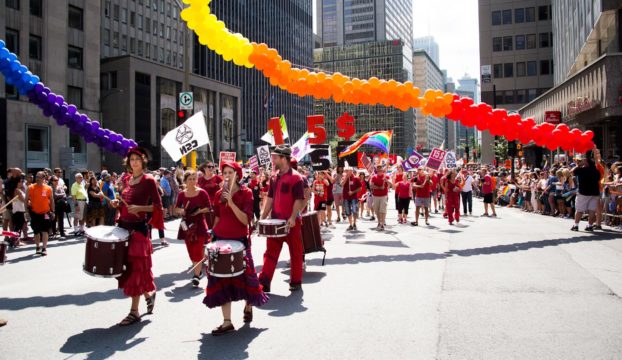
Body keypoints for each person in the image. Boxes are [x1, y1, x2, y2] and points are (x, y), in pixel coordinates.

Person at [203, 161, 268, 335]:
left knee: (247, 278)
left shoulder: (246, 193)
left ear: (237, 175)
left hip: (239, 241)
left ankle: (248, 304)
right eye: (224, 172)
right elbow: (217, 218)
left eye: (230, 172)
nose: (227, 175)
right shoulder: (218, 194)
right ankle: (227, 321)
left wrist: (231, 203)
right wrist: (211, 239)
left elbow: (246, 220)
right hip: (221, 240)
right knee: (221, 279)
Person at [110, 147, 163, 326]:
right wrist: (117, 204)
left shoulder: (149, 181)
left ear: (143, 162)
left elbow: (158, 207)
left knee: (136, 270)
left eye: (137, 159)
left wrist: (140, 208)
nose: (134, 162)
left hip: (138, 231)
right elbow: (126, 205)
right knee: (132, 270)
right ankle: (149, 294)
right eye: (131, 159)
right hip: (123, 229)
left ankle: (134, 312)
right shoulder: (127, 179)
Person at [258, 145, 306, 292]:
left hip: (291, 223)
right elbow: (270, 199)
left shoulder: (296, 177)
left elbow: (299, 199)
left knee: (295, 253)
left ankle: (296, 281)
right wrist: (262, 217)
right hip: (275, 221)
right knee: (270, 252)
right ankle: (264, 281)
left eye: (275, 157)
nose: (273, 159)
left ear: (283, 159)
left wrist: (293, 217)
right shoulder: (274, 177)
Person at [174, 170, 211, 286]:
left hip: (199, 224)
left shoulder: (202, 192)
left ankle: (196, 276)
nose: (192, 181)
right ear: (185, 180)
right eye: (190, 179)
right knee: (191, 251)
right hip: (186, 225)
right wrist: (181, 210)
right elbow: (176, 209)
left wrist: (199, 210)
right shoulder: (181, 194)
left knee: (198, 250)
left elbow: (209, 207)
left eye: (194, 178)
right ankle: (198, 270)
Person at [571, 150, 601, 231]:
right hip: (594, 193)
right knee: (592, 210)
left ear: (586, 162)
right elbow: (598, 179)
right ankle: (590, 226)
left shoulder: (581, 170)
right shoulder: (596, 171)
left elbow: (572, 171)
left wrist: (579, 165)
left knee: (579, 210)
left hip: (584, 192)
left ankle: (576, 225)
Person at [25, 171, 54, 256]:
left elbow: (51, 200)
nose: (37, 179)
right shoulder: (30, 187)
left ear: (43, 178)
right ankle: (37, 247)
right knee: (36, 232)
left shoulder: (48, 188)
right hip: (34, 212)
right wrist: (26, 212)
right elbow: (26, 200)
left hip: (45, 212)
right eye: (36, 177)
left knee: (45, 231)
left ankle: (44, 248)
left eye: (39, 177)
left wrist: (53, 211)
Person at [370, 164, 391, 230]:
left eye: (380, 169)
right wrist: (379, 187)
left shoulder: (386, 176)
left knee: (382, 210)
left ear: (382, 169)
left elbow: (391, 184)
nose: (379, 170)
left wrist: (386, 181)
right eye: (378, 169)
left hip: (384, 196)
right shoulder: (374, 177)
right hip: (375, 196)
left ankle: (382, 223)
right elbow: (371, 185)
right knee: (376, 210)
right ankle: (379, 221)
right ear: (377, 170)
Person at [342, 166, 362, 231]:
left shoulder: (356, 178)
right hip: (346, 197)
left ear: (352, 171)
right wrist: (346, 178)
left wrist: (353, 192)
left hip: (353, 197)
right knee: (348, 211)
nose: (347, 172)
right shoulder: (344, 178)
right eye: (346, 171)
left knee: (354, 210)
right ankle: (350, 224)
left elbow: (360, 188)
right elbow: (341, 184)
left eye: (349, 171)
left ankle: (354, 223)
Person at [9, 176, 26, 247]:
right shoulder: (17, 190)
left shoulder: (19, 189)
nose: (23, 183)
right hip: (18, 210)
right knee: (18, 227)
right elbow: (23, 200)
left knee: (17, 226)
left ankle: (15, 241)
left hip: (19, 210)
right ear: (17, 183)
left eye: (23, 181)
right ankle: (16, 241)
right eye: (21, 181)